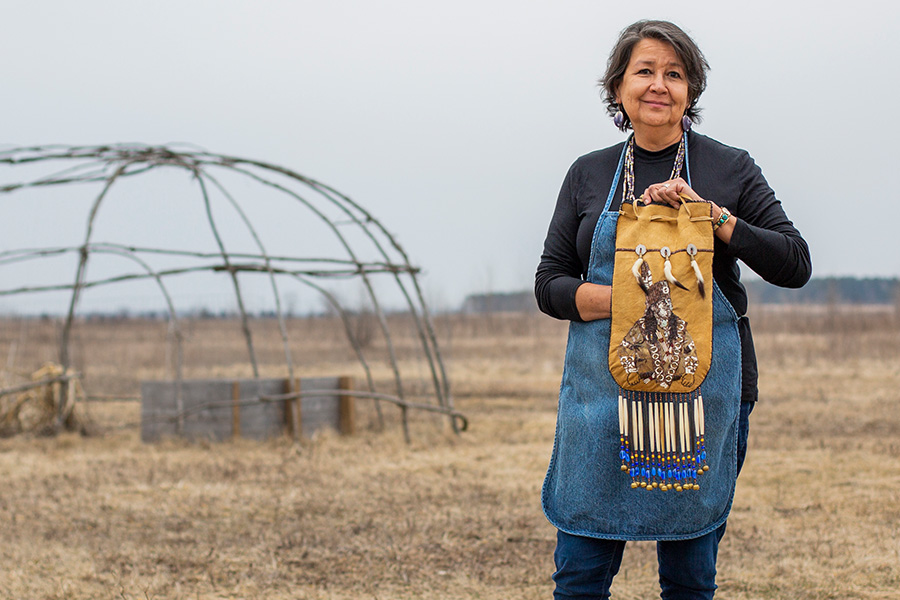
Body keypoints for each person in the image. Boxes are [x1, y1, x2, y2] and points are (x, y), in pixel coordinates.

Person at [534, 20, 811, 599]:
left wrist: (717, 219)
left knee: (689, 577)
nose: (659, 84)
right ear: (618, 89)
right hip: (602, 396)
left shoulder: (729, 169)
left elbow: (794, 263)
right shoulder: (587, 174)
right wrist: (621, 302)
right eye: (644, 71)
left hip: (703, 395)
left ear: (691, 91)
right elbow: (549, 283)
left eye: (675, 74)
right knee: (580, 572)